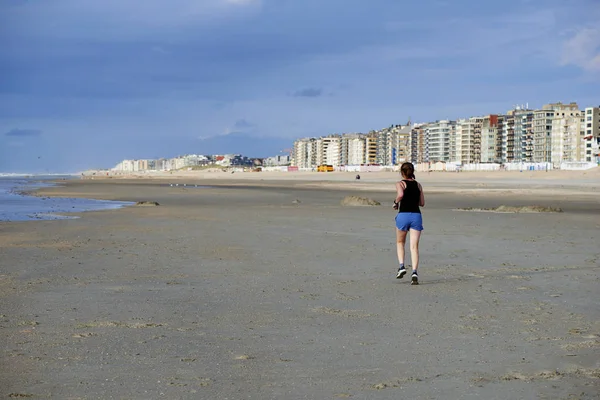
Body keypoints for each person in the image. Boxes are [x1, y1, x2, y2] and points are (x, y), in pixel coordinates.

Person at [393, 162, 425, 285]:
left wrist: (395, 202)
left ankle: (401, 267)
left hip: (403, 215)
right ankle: (415, 272)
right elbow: (422, 203)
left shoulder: (400, 184)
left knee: (400, 242)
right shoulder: (418, 185)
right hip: (416, 216)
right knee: (414, 247)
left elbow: (400, 194)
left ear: (402, 172)